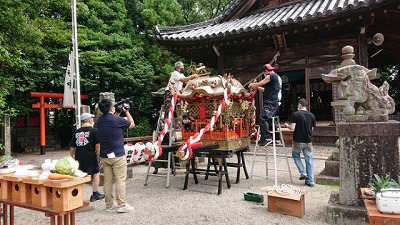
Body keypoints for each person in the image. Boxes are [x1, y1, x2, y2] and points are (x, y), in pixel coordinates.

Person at [97, 98, 135, 213]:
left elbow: (112, 121)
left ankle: (109, 205)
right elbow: (132, 124)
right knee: (120, 180)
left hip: (105, 156)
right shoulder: (117, 121)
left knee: (108, 181)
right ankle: (121, 205)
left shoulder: (99, 121)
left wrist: (117, 112)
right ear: (111, 108)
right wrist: (127, 111)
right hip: (118, 156)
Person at [69, 113, 104, 202]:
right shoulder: (94, 131)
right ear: (88, 120)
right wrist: (101, 157)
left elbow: (73, 146)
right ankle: (95, 194)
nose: (92, 119)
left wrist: (70, 157)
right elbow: (97, 146)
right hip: (90, 156)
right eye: (92, 118)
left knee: (78, 176)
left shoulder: (77, 131)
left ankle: (75, 195)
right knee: (95, 173)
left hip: (79, 157)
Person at [284, 98, 316, 187]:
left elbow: (292, 128)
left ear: (300, 105)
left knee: (296, 156)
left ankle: (303, 173)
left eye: (298, 105)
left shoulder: (296, 114)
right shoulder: (312, 115)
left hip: (298, 141)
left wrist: (287, 125)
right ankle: (311, 181)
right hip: (308, 142)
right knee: (309, 161)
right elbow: (312, 129)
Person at [248, 63, 282, 146]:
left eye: (264, 72)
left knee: (263, 118)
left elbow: (260, 84)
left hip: (272, 102)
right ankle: (276, 139)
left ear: (265, 71)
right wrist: (256, 86)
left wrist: (251, 84)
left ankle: (266, 138)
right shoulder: (276, 77)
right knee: (269, 120)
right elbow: (264, 89)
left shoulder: (270, 76)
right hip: (276, 102)